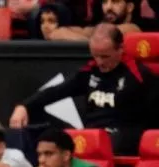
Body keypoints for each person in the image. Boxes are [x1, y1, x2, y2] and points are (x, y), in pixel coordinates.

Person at [10, 24, 159, 155]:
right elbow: (56, 91)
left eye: (105, 56)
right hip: (91, 136)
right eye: (95, 56)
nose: (100, 62)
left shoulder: (140, 75)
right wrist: (24, 106)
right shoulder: (90, 71)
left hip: (123, 139)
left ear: (120, 49)